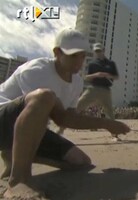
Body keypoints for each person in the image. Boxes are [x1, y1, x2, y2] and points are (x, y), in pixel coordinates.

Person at [0, 28, 130, 199]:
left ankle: (13, 155)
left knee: (80, 161)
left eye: (82, 56)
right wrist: (106, 123)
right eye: (73, 55)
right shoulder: (37, 69)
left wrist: (107, 124)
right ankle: (18, 180)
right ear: (57, 52)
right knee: (45, 96)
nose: (79, 61)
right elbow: (59, 116)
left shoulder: (76, 81)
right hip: (3, 121)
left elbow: (69, 118)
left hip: (28, 130)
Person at [58, 42, 120, 140]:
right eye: (96, 51)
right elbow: (86, 77)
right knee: (78, 106)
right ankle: (61, 129)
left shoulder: (111, 63)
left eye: (100, 50)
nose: (98, 52)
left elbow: (117, 77)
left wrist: (108, 75)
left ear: (103, 50)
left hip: (106, 90)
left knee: (109, 112)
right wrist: (97, 74)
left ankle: (114, 134)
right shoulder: (92, 63)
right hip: (93, 88)